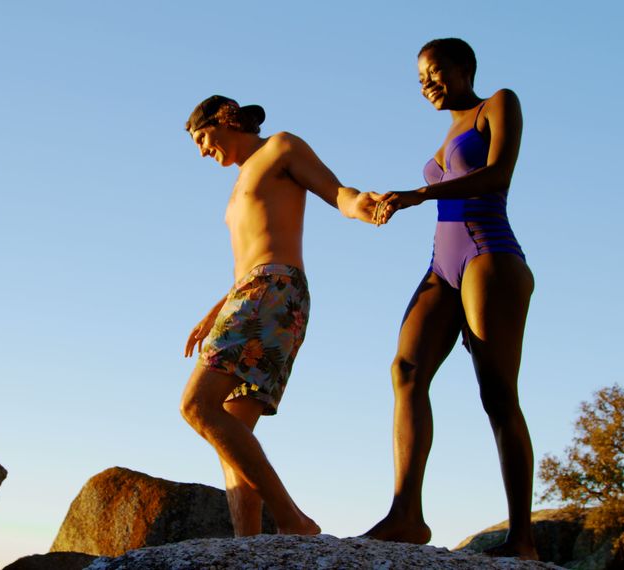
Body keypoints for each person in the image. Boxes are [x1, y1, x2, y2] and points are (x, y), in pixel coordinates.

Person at [361, 38, 538, 560]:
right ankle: (406, 515)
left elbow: (499, 174)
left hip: (489, 255)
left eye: (436, 73)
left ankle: (522, 539)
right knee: (406, 371)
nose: (428, 84)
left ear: (465, 68)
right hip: (442, 265)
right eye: (420, 79)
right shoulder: (447, 134)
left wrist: (420, 194)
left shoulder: (498, 104)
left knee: (498, 395)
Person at [180, 95, 379, 536]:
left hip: (274, 290)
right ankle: (247, 547)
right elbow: (246, 260)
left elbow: (338, 192)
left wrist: (362, 205)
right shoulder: (238, 185)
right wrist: (215, 312)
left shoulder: (281, 149)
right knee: (229, 431)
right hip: (248, 293)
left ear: (225, 120)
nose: (201, 151)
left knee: (196, 406)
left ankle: (293, 520)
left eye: (201, 138)